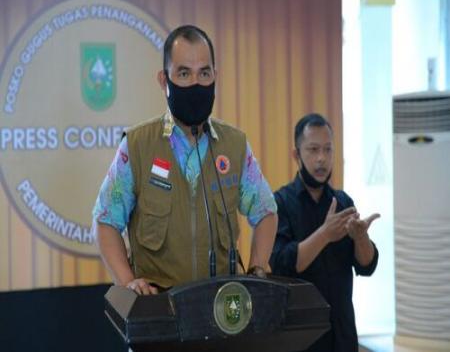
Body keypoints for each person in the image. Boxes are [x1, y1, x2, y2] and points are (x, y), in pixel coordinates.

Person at [92, 25, 277, 295]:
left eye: (204, 73)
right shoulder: (137, 145)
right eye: (183, 73)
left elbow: (266, 212)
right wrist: (128, 281)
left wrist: (257, 269)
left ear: (215, 75)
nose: (195, 84)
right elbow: (105, 220)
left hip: (223, 310)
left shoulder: (234, 145)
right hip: (159, 308)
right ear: (164, 80)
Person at [269, 113, 379, 352]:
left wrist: (361, 238)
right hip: (300, 337)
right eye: (313, 150)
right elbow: (281, 264)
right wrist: (325, 234)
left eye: (328, 150)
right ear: (296, 155)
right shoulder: (280, 202)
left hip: (342, 333)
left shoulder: (343, 202)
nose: (322, 159)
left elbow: (366, 265)